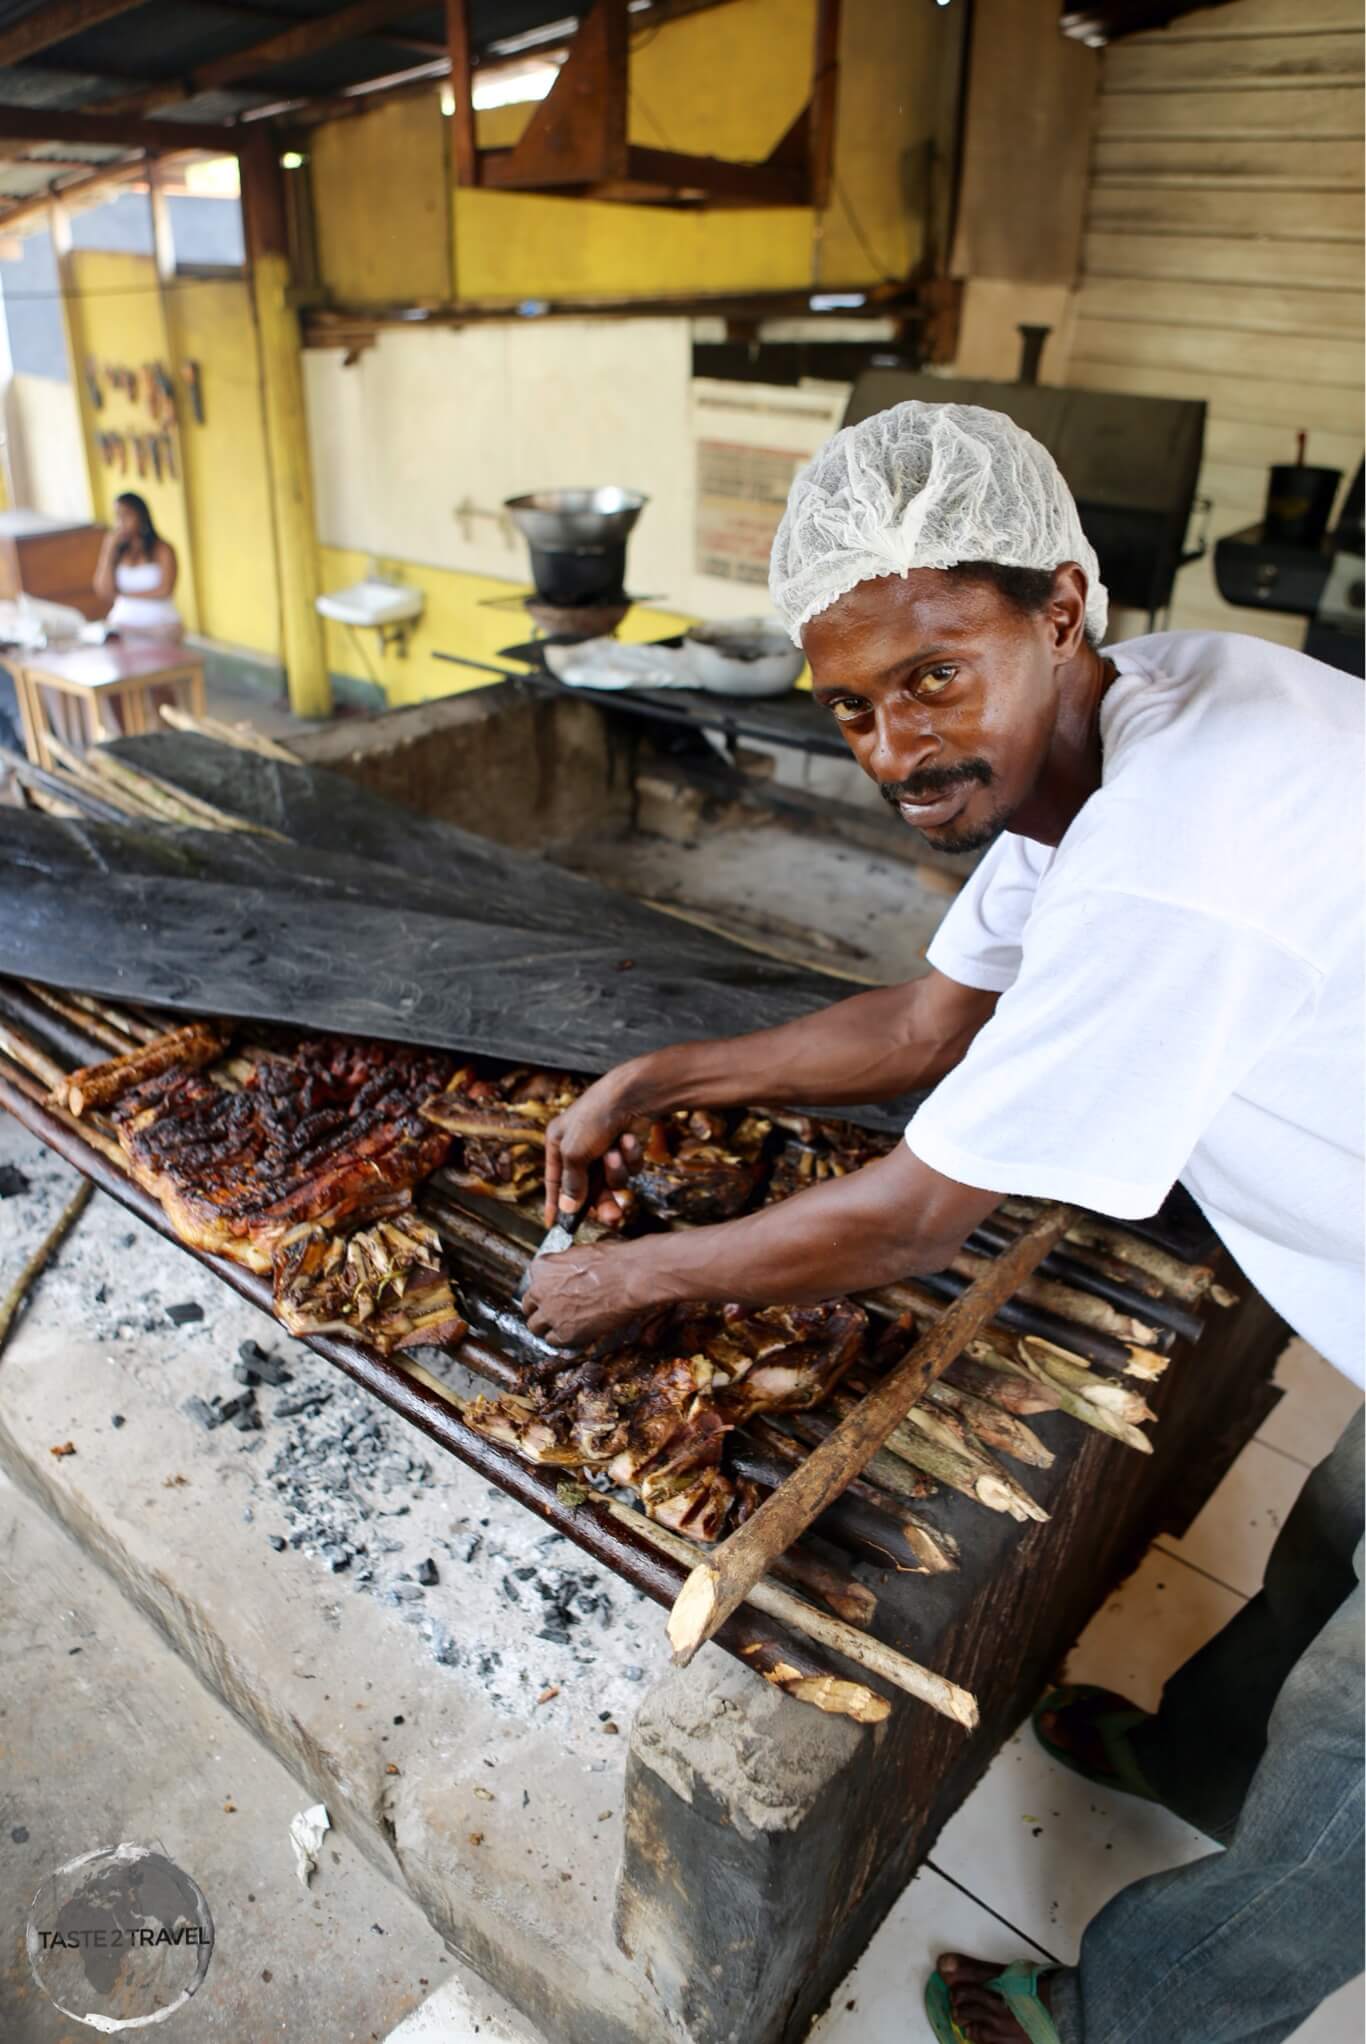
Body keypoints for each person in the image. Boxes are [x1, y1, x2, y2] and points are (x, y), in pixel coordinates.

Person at [521, 401, 1364, 2044]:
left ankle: (1132, 2010)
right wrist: (656, 1075)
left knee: (1356, 1778)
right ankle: (1198, 1747)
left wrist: (627, 1274)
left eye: (931, 675)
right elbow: (925, 1026)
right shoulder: (1121, 709)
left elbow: (918, 1211)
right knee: (1338, 1533)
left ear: (1058, 607)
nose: (897, 747)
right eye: (851, 703)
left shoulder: (1175, 844)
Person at [94, 491, 181, 638]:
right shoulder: (118, 551)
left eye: (126, 516)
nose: (121, 523)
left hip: (158, 624)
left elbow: (165, 590)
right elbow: (104, 590)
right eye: (117, 517)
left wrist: (125, 595)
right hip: (122, 622)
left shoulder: (162, 549)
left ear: (141, 516)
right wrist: (108, 551)